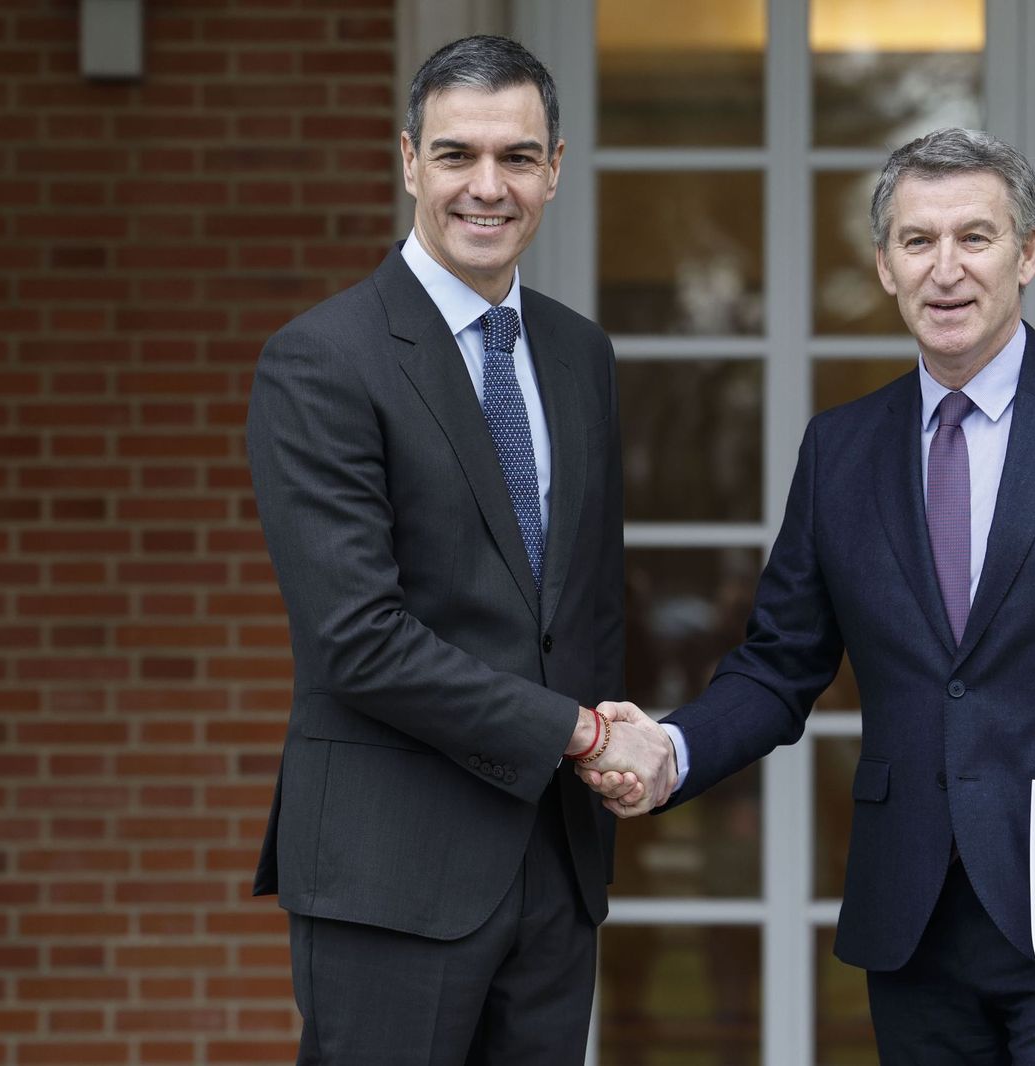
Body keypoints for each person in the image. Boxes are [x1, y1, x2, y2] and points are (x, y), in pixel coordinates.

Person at [585, 128, 1035, 1063]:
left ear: (1028, 254)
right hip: (914, 920)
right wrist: (673, 749)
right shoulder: (840, 449)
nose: (947, 269)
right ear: (886, 268)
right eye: (917, 241)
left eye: (975, 238)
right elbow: (779, 667)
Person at [247, 35, 674, 1065]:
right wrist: (574, 731)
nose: (488, 187)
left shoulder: (579, 353)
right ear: (408, 162)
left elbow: (584, 604)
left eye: (517, 157)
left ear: (556, 169)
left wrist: (615, 742)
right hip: (390, 873)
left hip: (554, 869)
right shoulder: (322, 359)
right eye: (456, 155)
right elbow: (357, 637)